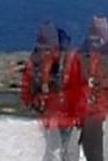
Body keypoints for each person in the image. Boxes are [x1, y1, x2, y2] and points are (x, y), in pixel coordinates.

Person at [68, 15, 108, 161]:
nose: (94, 41)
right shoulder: (79, 56)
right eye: (92, 36)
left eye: (98, 36)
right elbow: (71, 85)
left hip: (107, 115)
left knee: (101, 155)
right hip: (84, 116)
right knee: (79, 153)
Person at [20, 20, 79, 161]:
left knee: (69, 152)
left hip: (69, 114)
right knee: (51, 151)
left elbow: (80, 87)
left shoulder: (70, 60)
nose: (44, 52)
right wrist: (30, 101)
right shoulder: (35, 61)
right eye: (42, 48)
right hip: (48, 113)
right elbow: (27, 83)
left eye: (47, 48)